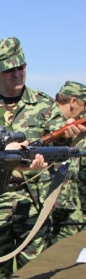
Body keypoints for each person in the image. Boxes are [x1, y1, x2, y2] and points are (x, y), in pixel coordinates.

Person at [0, 37, 78, 279]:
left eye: (20, 67)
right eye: (9, 69)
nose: (17, 74)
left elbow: (58, 151)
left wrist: (70, 140)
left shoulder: (44, 105)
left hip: (33, 206)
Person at [51, 81, 86, 241]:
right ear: (73, 101)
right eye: (84, 104)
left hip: (69, 206)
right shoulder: (46, 121)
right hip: (45, 208)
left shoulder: (76, 130)